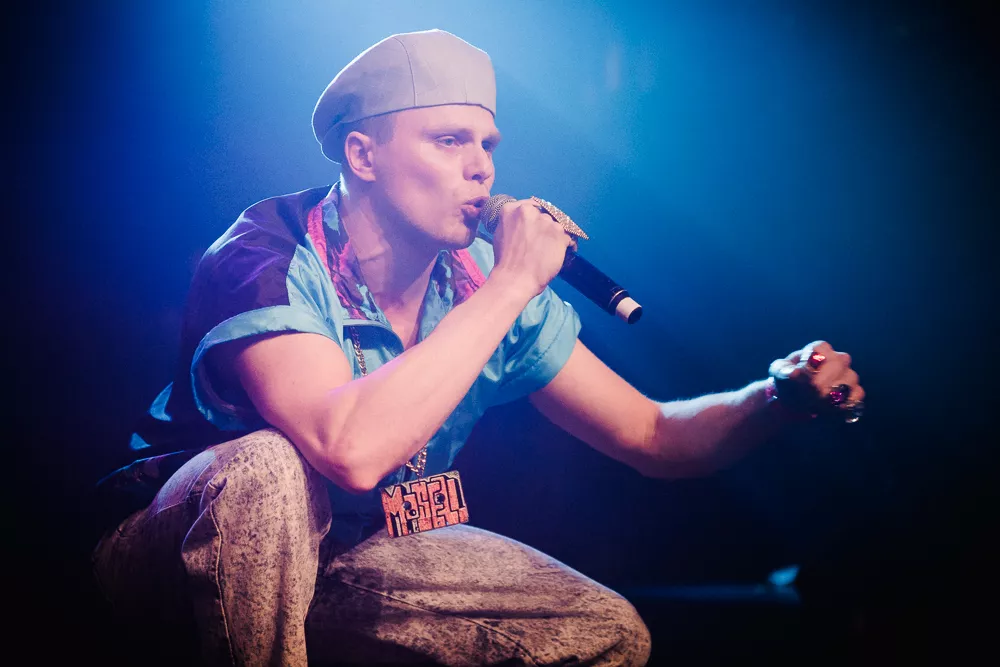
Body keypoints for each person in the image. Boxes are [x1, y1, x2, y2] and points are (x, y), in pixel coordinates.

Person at [92, 29, 865, 666]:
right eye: (449, 140)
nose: (481, 167)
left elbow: (653, 435)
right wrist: (512, 284)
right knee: (269, 469)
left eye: (487, 144)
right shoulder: (265, 255)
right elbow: (347, 450)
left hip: (349, 553)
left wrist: (775, 397)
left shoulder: (479, 282)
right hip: (177, 554)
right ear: (363, 156)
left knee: (606, 633)